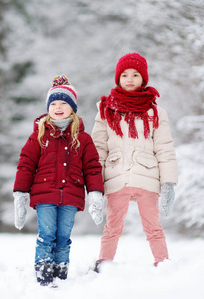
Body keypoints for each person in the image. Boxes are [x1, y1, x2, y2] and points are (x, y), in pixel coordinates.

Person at [13, 75, 104, 286]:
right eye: (53, 103)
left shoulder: (83, 138)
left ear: (73, 107)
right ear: (48, 107)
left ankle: (60, 275)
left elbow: (92, 167)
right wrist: (20, 194)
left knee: (63, 238)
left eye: (64, 103)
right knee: (46, 235)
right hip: (45, 194)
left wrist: (96, 193)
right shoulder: (39, 135)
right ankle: (44, 276)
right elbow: (26, 164)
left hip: (71, 196)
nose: (58, 107)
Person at [90, 53, 178, 271]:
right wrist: (95, 186)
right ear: (118, 78)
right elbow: (98, 149)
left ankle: (163, 263)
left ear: (143, 79)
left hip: (147, 177)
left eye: (135, 74)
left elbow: (165, 149)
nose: (130, 79)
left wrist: (168, 183)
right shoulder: (105, 110)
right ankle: (104, 263)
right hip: (116, 176)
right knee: (112, 227)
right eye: (125, 75)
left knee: (153, 226)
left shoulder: (155, 111)